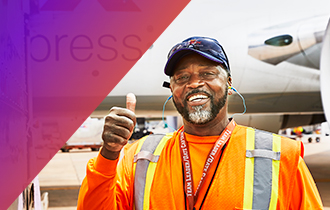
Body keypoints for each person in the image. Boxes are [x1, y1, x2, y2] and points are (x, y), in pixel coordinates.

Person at [77, 37, 323, 210]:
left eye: (207, 73)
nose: (194, 83)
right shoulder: (138, 157)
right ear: (172, 90)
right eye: (182, 77)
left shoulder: (282, 157)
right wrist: (109, 155)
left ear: (228, 82)